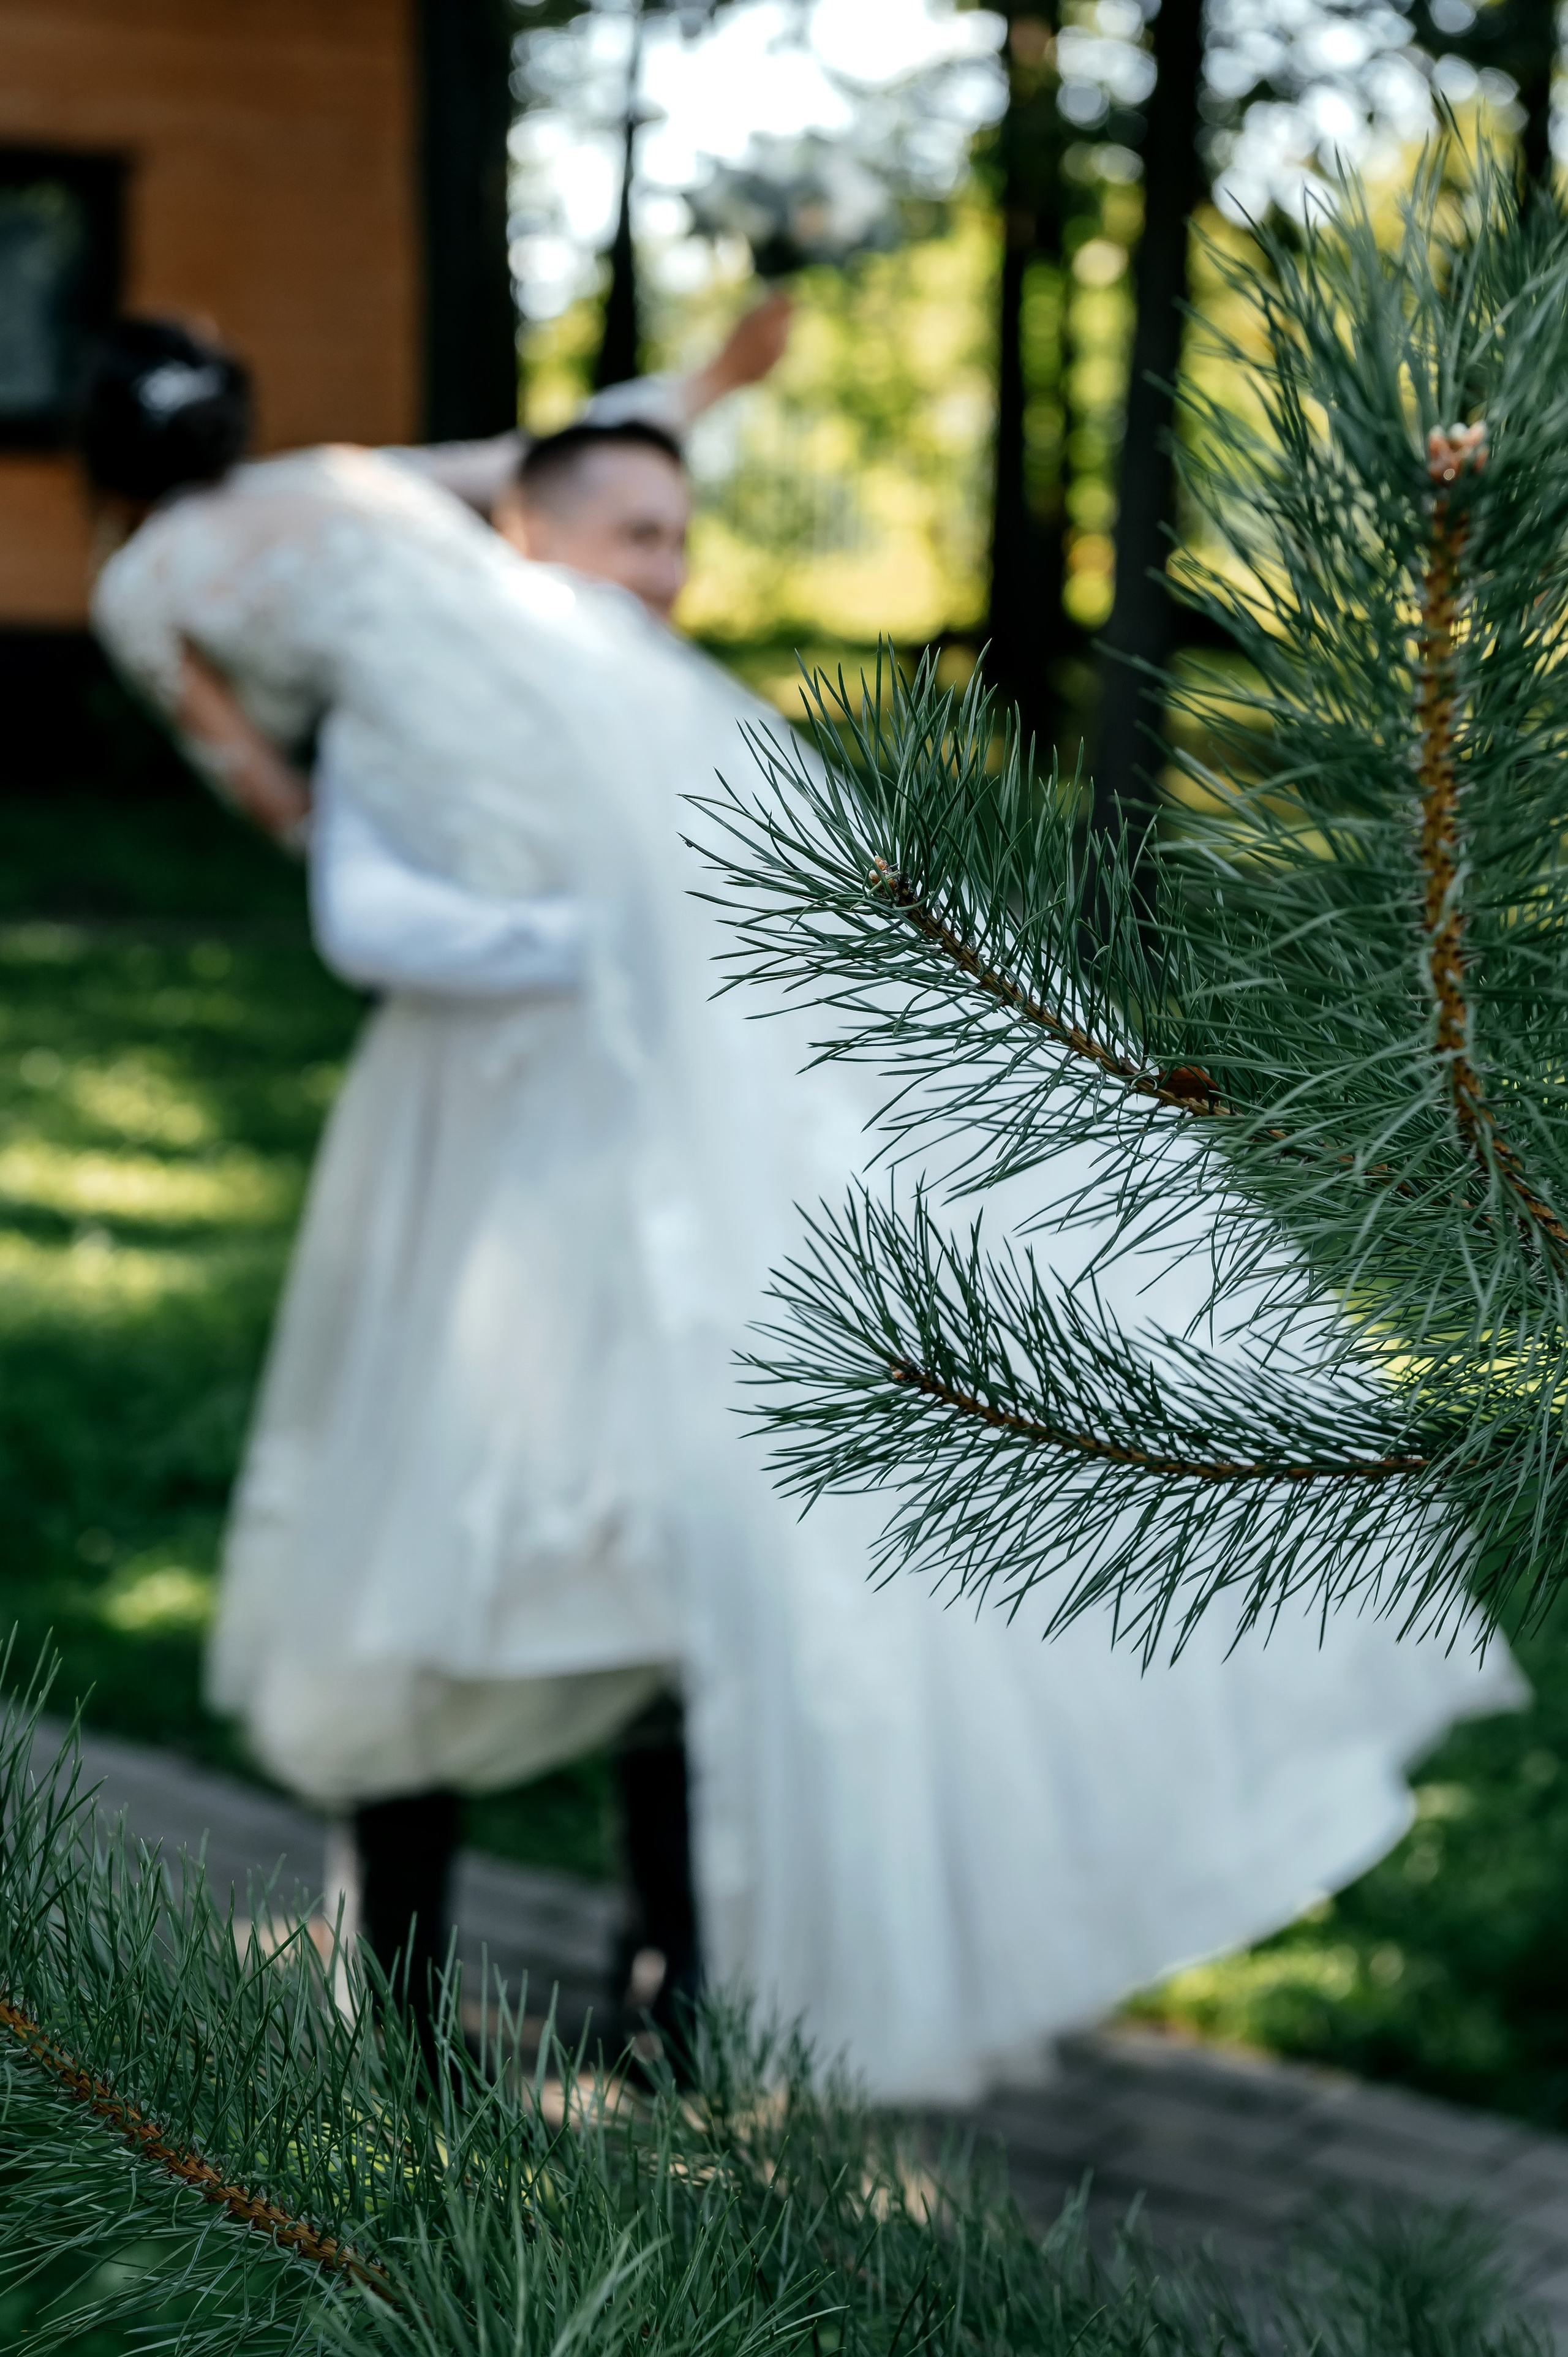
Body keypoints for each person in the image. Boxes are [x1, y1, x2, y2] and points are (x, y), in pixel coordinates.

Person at [84, 317, 1526, 2107]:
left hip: (498, 1026)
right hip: (619, 770)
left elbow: (263, 787)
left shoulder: (145, 586)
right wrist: (716, 379)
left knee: (489, 1462)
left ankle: (491, 1997)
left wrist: (353, 805)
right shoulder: (349, 490)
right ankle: (666, 1987)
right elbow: (556, 445)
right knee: (714, 1354)